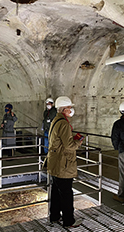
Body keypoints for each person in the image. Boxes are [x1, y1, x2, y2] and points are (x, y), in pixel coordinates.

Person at [46, 96, 83, 228]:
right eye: (69, 108)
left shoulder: (56, 120)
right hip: (63, 164)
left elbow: (61, 141)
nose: (71, 110)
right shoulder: (64, 123)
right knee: (67, 193)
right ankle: (69, 221)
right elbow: (69, 146)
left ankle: (55, 216)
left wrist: (72, 138)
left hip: (55, 162)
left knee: (56, 191)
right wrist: (78, 142)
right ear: (64, 109)